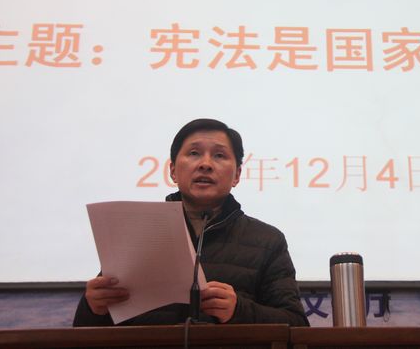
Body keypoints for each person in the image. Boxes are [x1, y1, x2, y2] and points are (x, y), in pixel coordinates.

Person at [73, 118, 309, 326]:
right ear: (173, 171)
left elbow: (296, 324)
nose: (205, 164)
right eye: (194, 153)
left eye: (219, 155)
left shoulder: (267, 240)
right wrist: (93, 307)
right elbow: (86, 331)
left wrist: (238, 311)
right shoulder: (137, 232)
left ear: (237, 175)